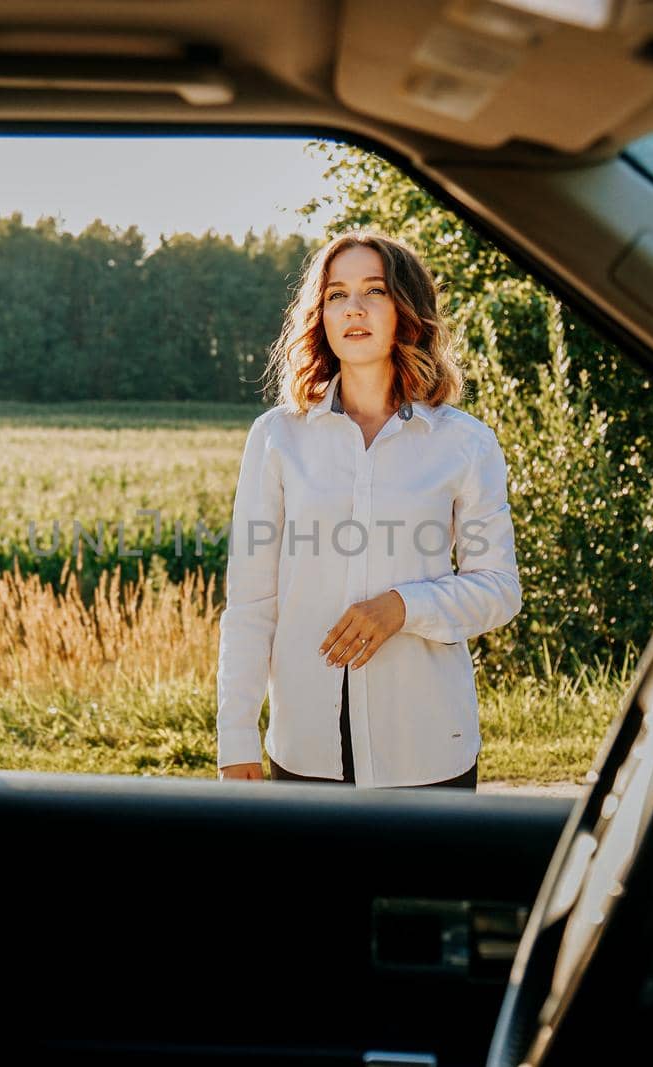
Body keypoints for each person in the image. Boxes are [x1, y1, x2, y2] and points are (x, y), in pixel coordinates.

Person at [216, 231, 522, 790]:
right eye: (336, 294)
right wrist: (235, 737)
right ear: (320, 315)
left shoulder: (465, 443)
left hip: (429, 746)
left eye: (373, 291)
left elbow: (500, 589)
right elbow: (251, 602)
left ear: (406, 312)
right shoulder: (277, 438)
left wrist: (403, 607)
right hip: (306, 748)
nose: (353, 308)